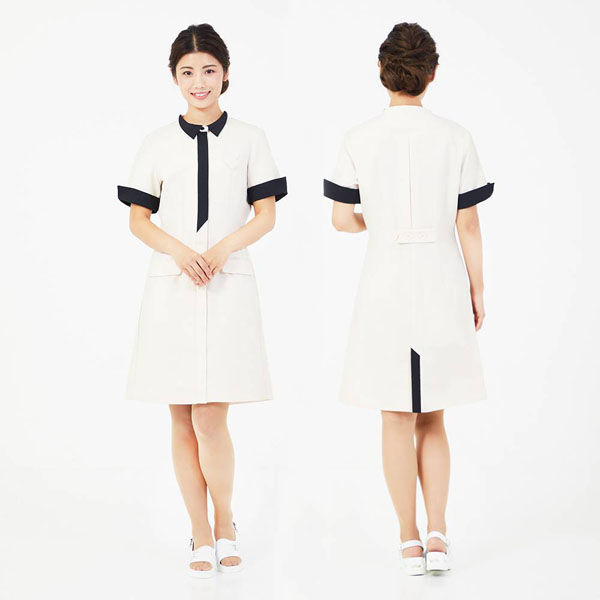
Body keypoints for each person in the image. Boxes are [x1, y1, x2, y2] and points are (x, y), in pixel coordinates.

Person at [323, 22, 494, 575]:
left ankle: (408, 540)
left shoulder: (359, 137)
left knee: (395, 415)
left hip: (385, 283)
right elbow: (468, 224)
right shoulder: (456, 136)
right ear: (433, 73)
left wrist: (378, 221)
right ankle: (439, 533)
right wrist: (477, 288)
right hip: (442, 279)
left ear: (381, 70)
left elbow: (341, 219)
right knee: (433, 414)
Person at [117, 23, 287, 577]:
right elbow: (139, 219)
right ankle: (199, 530)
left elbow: (266, 215)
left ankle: (225, 521)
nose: (199, 81)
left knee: (211, 418)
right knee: (181, 417)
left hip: (228, 281)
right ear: (174, 78)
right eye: (187, 72)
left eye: (209, 70)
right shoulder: (156, 143)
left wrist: (219, 250)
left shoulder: (251, 138)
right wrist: (180, 253)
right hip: (170, 288)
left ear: (226, 73)